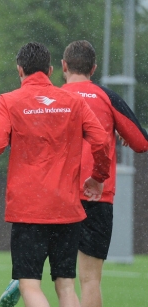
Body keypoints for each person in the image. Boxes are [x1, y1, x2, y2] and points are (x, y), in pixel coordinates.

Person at [0, 42, 111, 307]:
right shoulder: (73, 101)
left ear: (20, 70)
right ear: (52, 70)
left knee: (30, 285)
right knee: (65, 286)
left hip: (28, 209)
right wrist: (98, 177)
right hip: (67, 208)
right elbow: (101, 141)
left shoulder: (9, 101)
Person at [61, 40, 148, 307]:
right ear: (94, 68)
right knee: (90, 280)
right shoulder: (107, 97)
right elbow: (141, 143)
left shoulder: (53, 98)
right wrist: (117, 130)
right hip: (97, 197)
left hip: (60, 196)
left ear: (64, 66)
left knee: (63, 279)